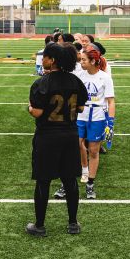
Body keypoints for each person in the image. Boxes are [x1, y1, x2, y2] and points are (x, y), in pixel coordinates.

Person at [26, 42, 86, 236]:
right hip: (70, 134)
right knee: (70, 179)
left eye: (45, 56)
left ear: (52, 60)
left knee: (43, 180)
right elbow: (81, 108)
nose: (42, 59)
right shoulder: (75, 81)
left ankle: (40, 225)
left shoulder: (41, 83)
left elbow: (37, 112)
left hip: (47, 136)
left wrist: (28, 108)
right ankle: (73, 223)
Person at [71, 46, 115, 200]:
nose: (81, 62)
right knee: (76, 144)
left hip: (97, 117)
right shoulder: (79, 75)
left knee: (94, 150)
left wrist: (110, 123)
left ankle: (90, 183)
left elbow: (110, 101)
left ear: (93, 61)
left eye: (84, 60)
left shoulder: (105, 77)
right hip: (80, 116)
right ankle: (82, 171)